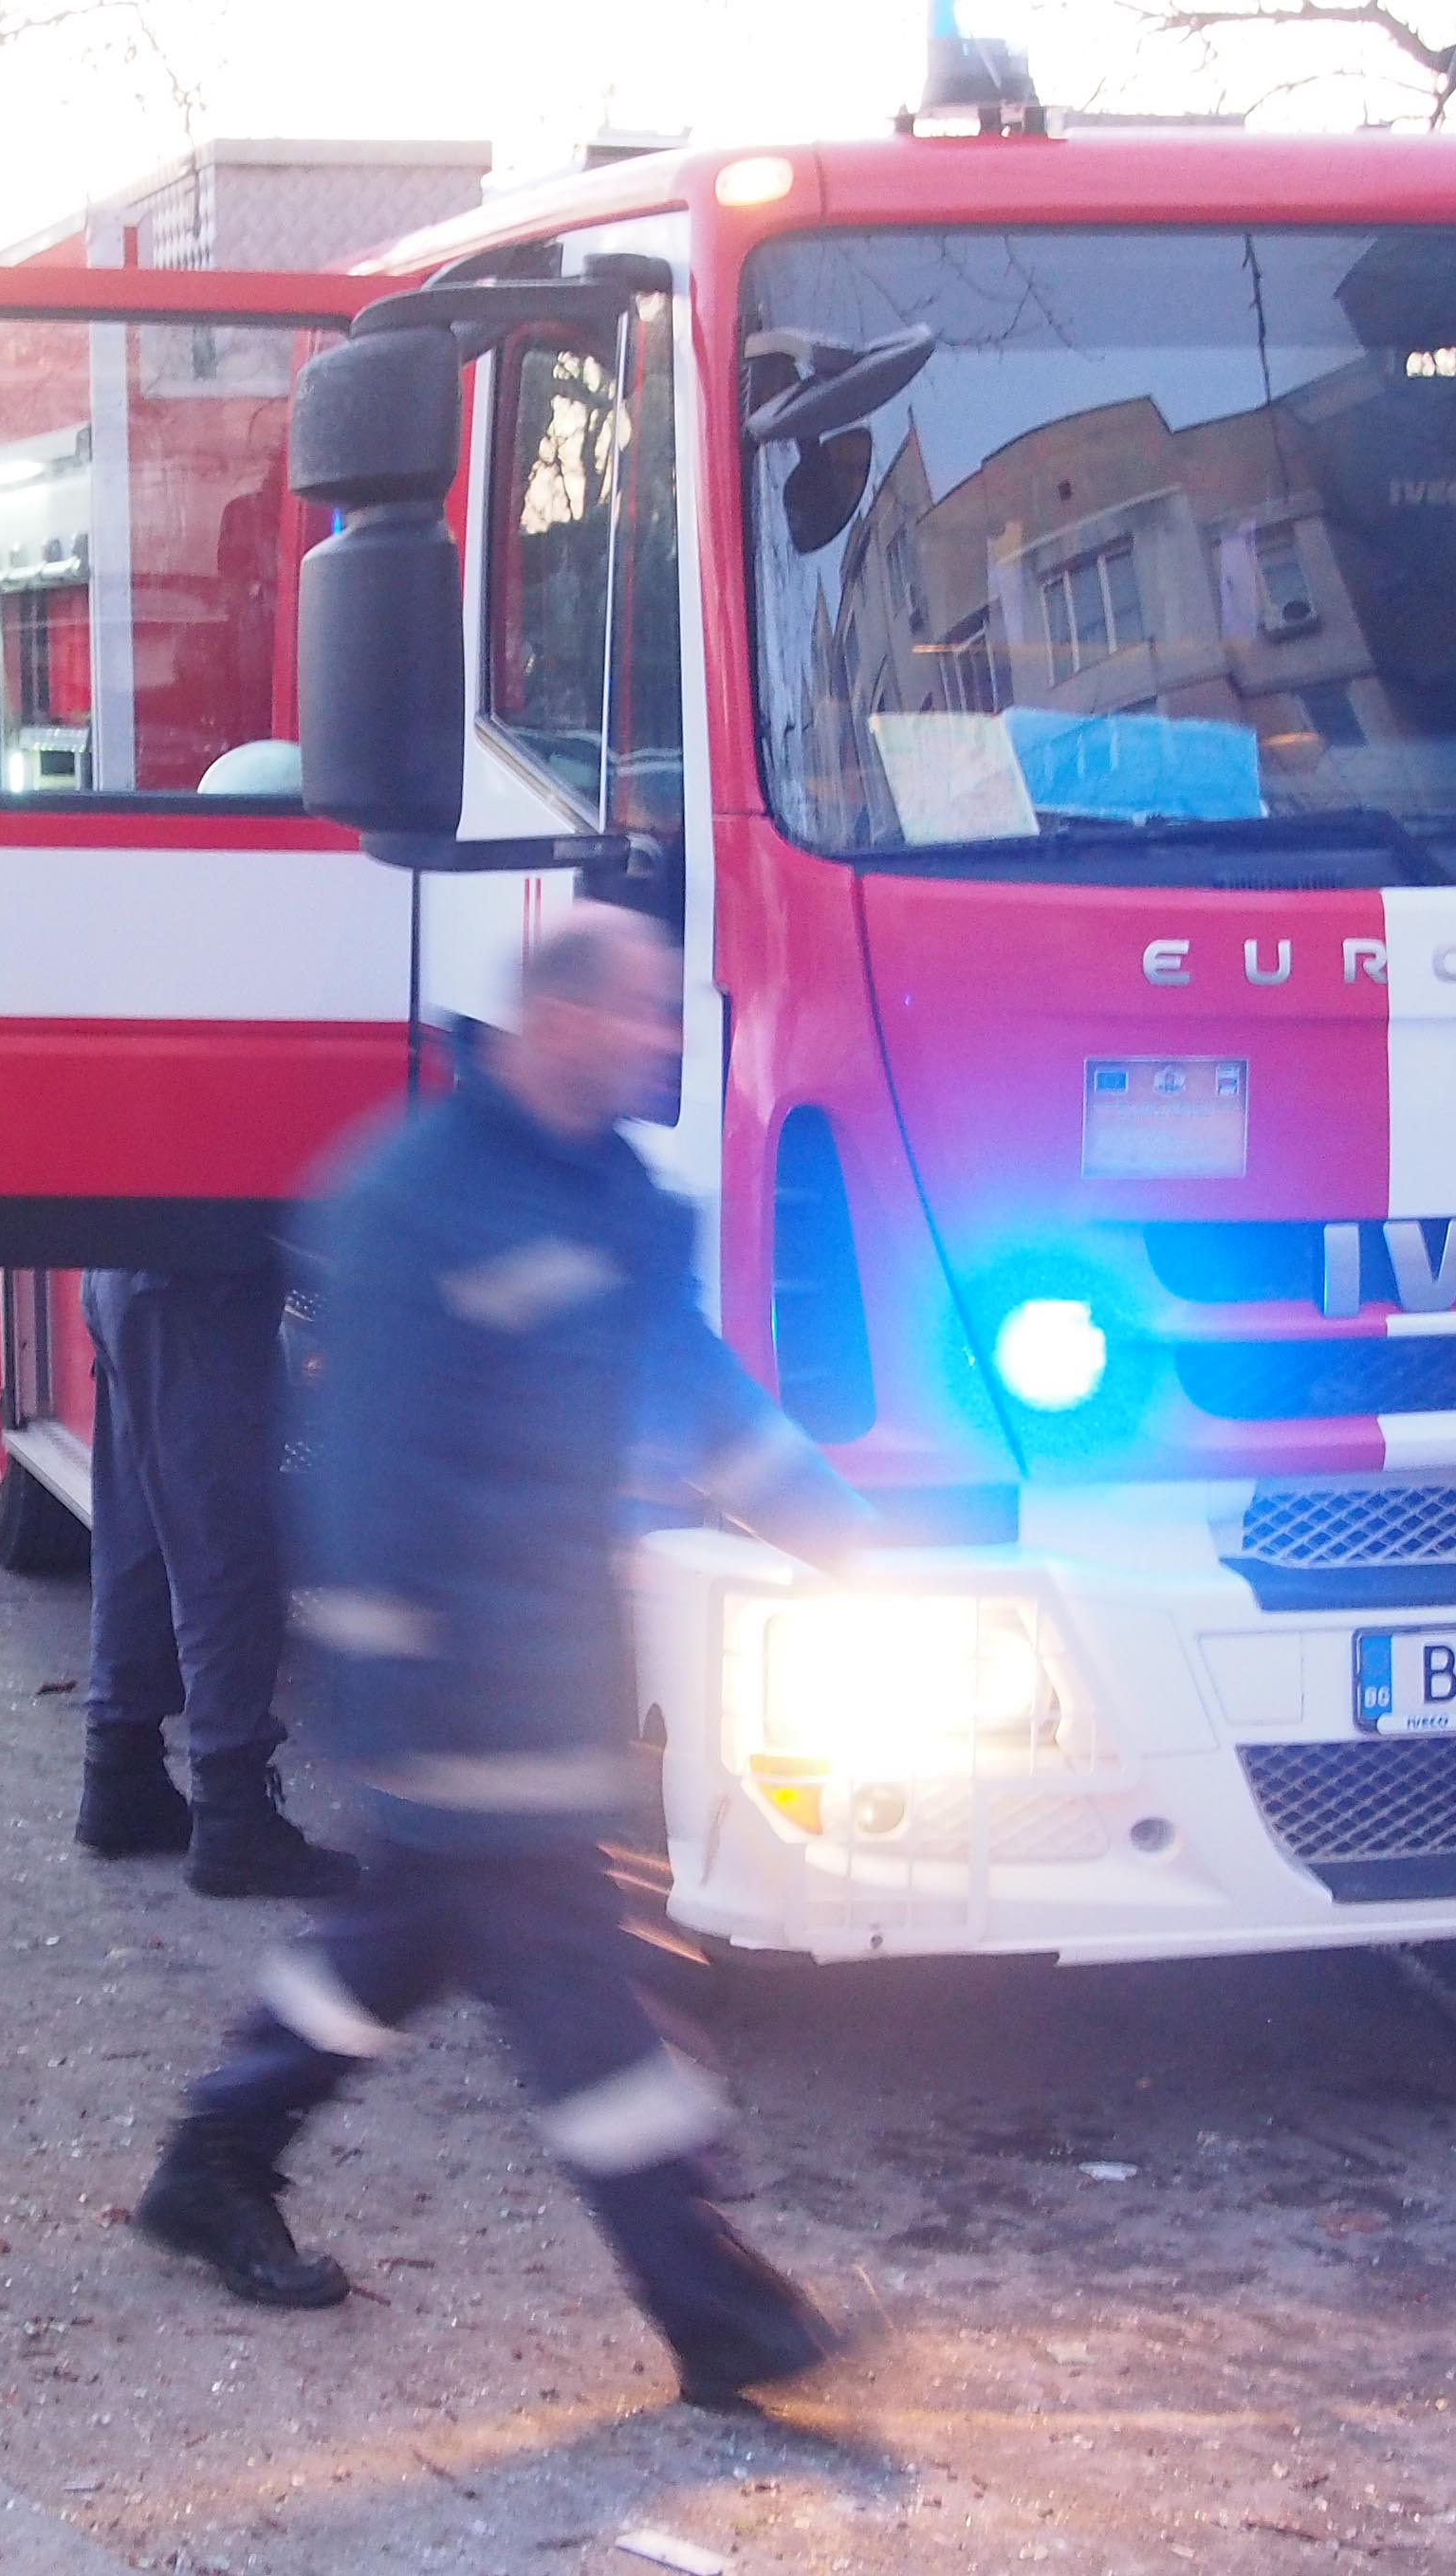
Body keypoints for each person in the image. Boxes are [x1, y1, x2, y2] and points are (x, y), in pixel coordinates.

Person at [134, 906, 875, 2411]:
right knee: (577, 1993)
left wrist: (851, 1542)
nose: (662, 1043)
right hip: (455, 1686)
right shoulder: (413, 1203)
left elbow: (701, 1393)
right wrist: (393, 1676)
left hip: (548, 1673)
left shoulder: (616, 1205)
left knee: (395, 1946)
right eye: (639, 1016)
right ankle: (711, 2309)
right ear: (554, 1020)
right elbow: (362, 1467)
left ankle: (212, 2161)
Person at [74, 1260, 355, 1898]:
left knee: (140, 1534)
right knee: (222, 1549)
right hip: (197, 1280)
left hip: (128, 1268)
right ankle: (234, 1819)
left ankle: (121, 1776)